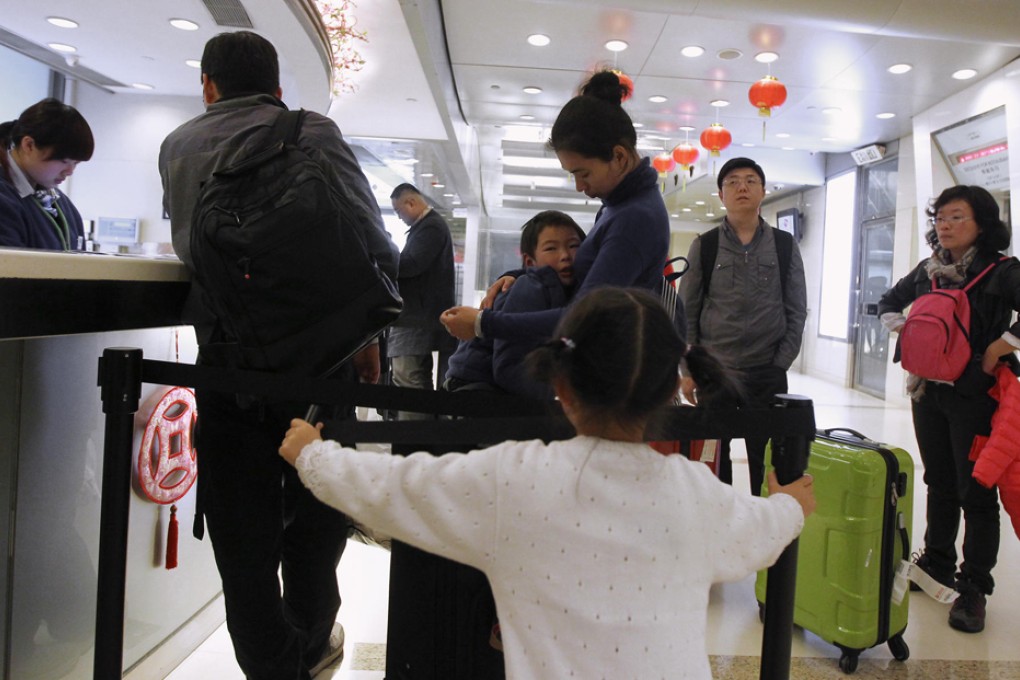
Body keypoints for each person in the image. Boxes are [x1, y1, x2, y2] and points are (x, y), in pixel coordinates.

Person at [280, 287, 814, 679]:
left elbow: (396, 486)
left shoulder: (514, 480)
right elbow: (761, 529)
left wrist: (313, 456)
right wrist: (791, 504)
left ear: (561, 384)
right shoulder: (696, 493)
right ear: (670, 390)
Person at [158, 31, 399, 679]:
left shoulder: (178, 145)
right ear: (278, 87)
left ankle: (273, 667)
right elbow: (371, 246)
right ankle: (313, 642)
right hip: (320, 358)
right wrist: (369, 341)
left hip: (227, 359)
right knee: (319, 509)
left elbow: (191, 250)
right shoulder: (312, 131)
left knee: (242, 536)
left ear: (207, 85)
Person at [441, 70, 676, 344]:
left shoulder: (635, 218)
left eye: (583, 174)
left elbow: (583, 317)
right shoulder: (619, 206)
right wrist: (519, 276)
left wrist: (483, 324)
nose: (579, 186)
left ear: (619, 157)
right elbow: (585, 281)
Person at [878, 184, 1020, 634]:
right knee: (938, 482)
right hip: (928, 393)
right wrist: (912, 334)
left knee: (975, 491)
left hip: (975, 395)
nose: (945, 225)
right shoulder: (928, 270)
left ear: (982, 223)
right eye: (940, 217)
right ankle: (936, 562)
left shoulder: (1002, 271)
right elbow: (887, 303)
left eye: (957, 216)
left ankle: (973, 586)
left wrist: (999, 347)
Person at [678, 157, 807, 495]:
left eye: (751, 180)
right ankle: (720, 516)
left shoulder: (784, 245)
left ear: (763, 191)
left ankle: (763, 516)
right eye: (732, 182)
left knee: (764, 459)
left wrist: (780, 363)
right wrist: (690, 369)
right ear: (721, 195)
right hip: (715, 371)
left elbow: (796, 309)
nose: (742, 187)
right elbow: (687, 312)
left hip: (766, 370)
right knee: (713, 458)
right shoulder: (705, 245)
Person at [444, 209, 585, 399]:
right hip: (475, 387)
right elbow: (508, 368)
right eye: (551, 248)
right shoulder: (530, 288)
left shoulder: (569, 289)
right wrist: (564, 396)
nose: (565, 255)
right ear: (529, 261)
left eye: (574, 245)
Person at [386, 183, 457, 417]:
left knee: (409, 380)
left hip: (417, 318)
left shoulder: (431, 227)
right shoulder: (428, 227)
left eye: (398, 211)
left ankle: (415, 434)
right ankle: (420, 432)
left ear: (411, 202)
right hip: (420, 316)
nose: (399, 217)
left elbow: (411, 264)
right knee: (413, 379)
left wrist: (385, 255)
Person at [0, 98, 93, 251]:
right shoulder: (5, 199)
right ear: (29, 145)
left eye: (76, 163)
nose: (70, 171)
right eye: (63, 161)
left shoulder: (63, 204)